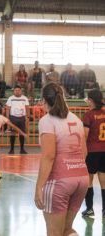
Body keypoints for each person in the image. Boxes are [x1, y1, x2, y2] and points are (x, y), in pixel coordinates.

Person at [34, 82, 88, 236]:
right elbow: (84, 152)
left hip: (60, 182)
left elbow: (49, 156)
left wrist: (39, 187)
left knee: (54, 232)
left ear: (44, 100)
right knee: (66, 229)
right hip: (81, 178)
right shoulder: (76, 119)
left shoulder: (47, 121)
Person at [81, 89, 105, 217]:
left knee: (88, 181)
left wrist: (82, 152)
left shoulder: (88, 115)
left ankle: (89, 209)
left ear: (91, 100)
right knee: (104, 182)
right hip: (104, 152)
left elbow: (85, 135)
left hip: (92, 152)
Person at [6, 85, 30, 154]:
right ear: (14, 91)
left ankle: (22, 149)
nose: (17, 92)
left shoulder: (25, 98)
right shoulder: (11, 98)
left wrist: (27, 117)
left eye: (18, 90)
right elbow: (8, 108)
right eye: (16, 90)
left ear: (21, 91)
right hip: (13, 118)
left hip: (22, 118)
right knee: (12, 134)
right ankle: (11, 149)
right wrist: (7, 118)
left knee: (22, 134)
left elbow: (27, 108)